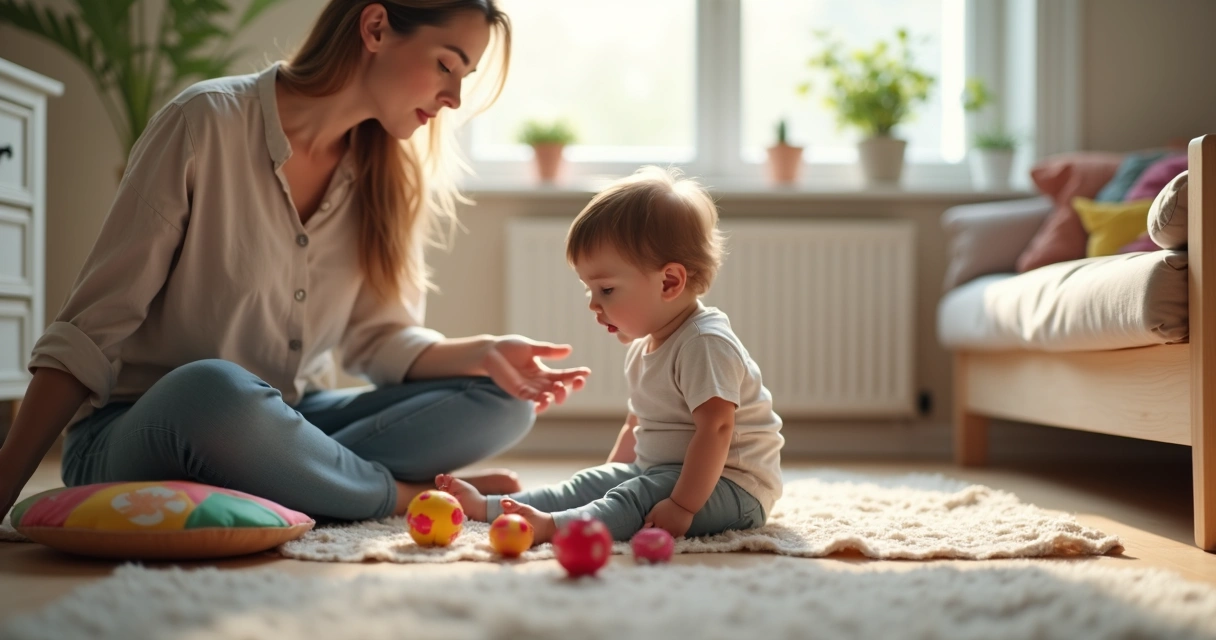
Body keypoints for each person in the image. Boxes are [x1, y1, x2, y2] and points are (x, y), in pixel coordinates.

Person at [0, 0, 591, 524]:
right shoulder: (204, 122)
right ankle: (399, 494)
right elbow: (89, 330)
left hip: (286, 419)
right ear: (377, 27)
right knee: (216, 389)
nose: (454, 97)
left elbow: (378, 340)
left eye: (465, 76)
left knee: (506, 400)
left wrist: (483, 352)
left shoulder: (385, 174)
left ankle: (291, 474)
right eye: (446, 64)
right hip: (150, 426)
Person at [439, 166, 784, 543]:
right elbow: (637, 425)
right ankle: (492, 507)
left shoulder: (704, 343)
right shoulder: (643, 346)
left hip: (731, 487)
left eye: (605, 290)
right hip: (661, 472)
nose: (592, 304)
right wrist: (605, 482)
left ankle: (553, 527)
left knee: (633, 497)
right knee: (590, 482)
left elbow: (717, 428)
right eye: (589, 290)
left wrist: (683, 506)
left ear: (669, 282)